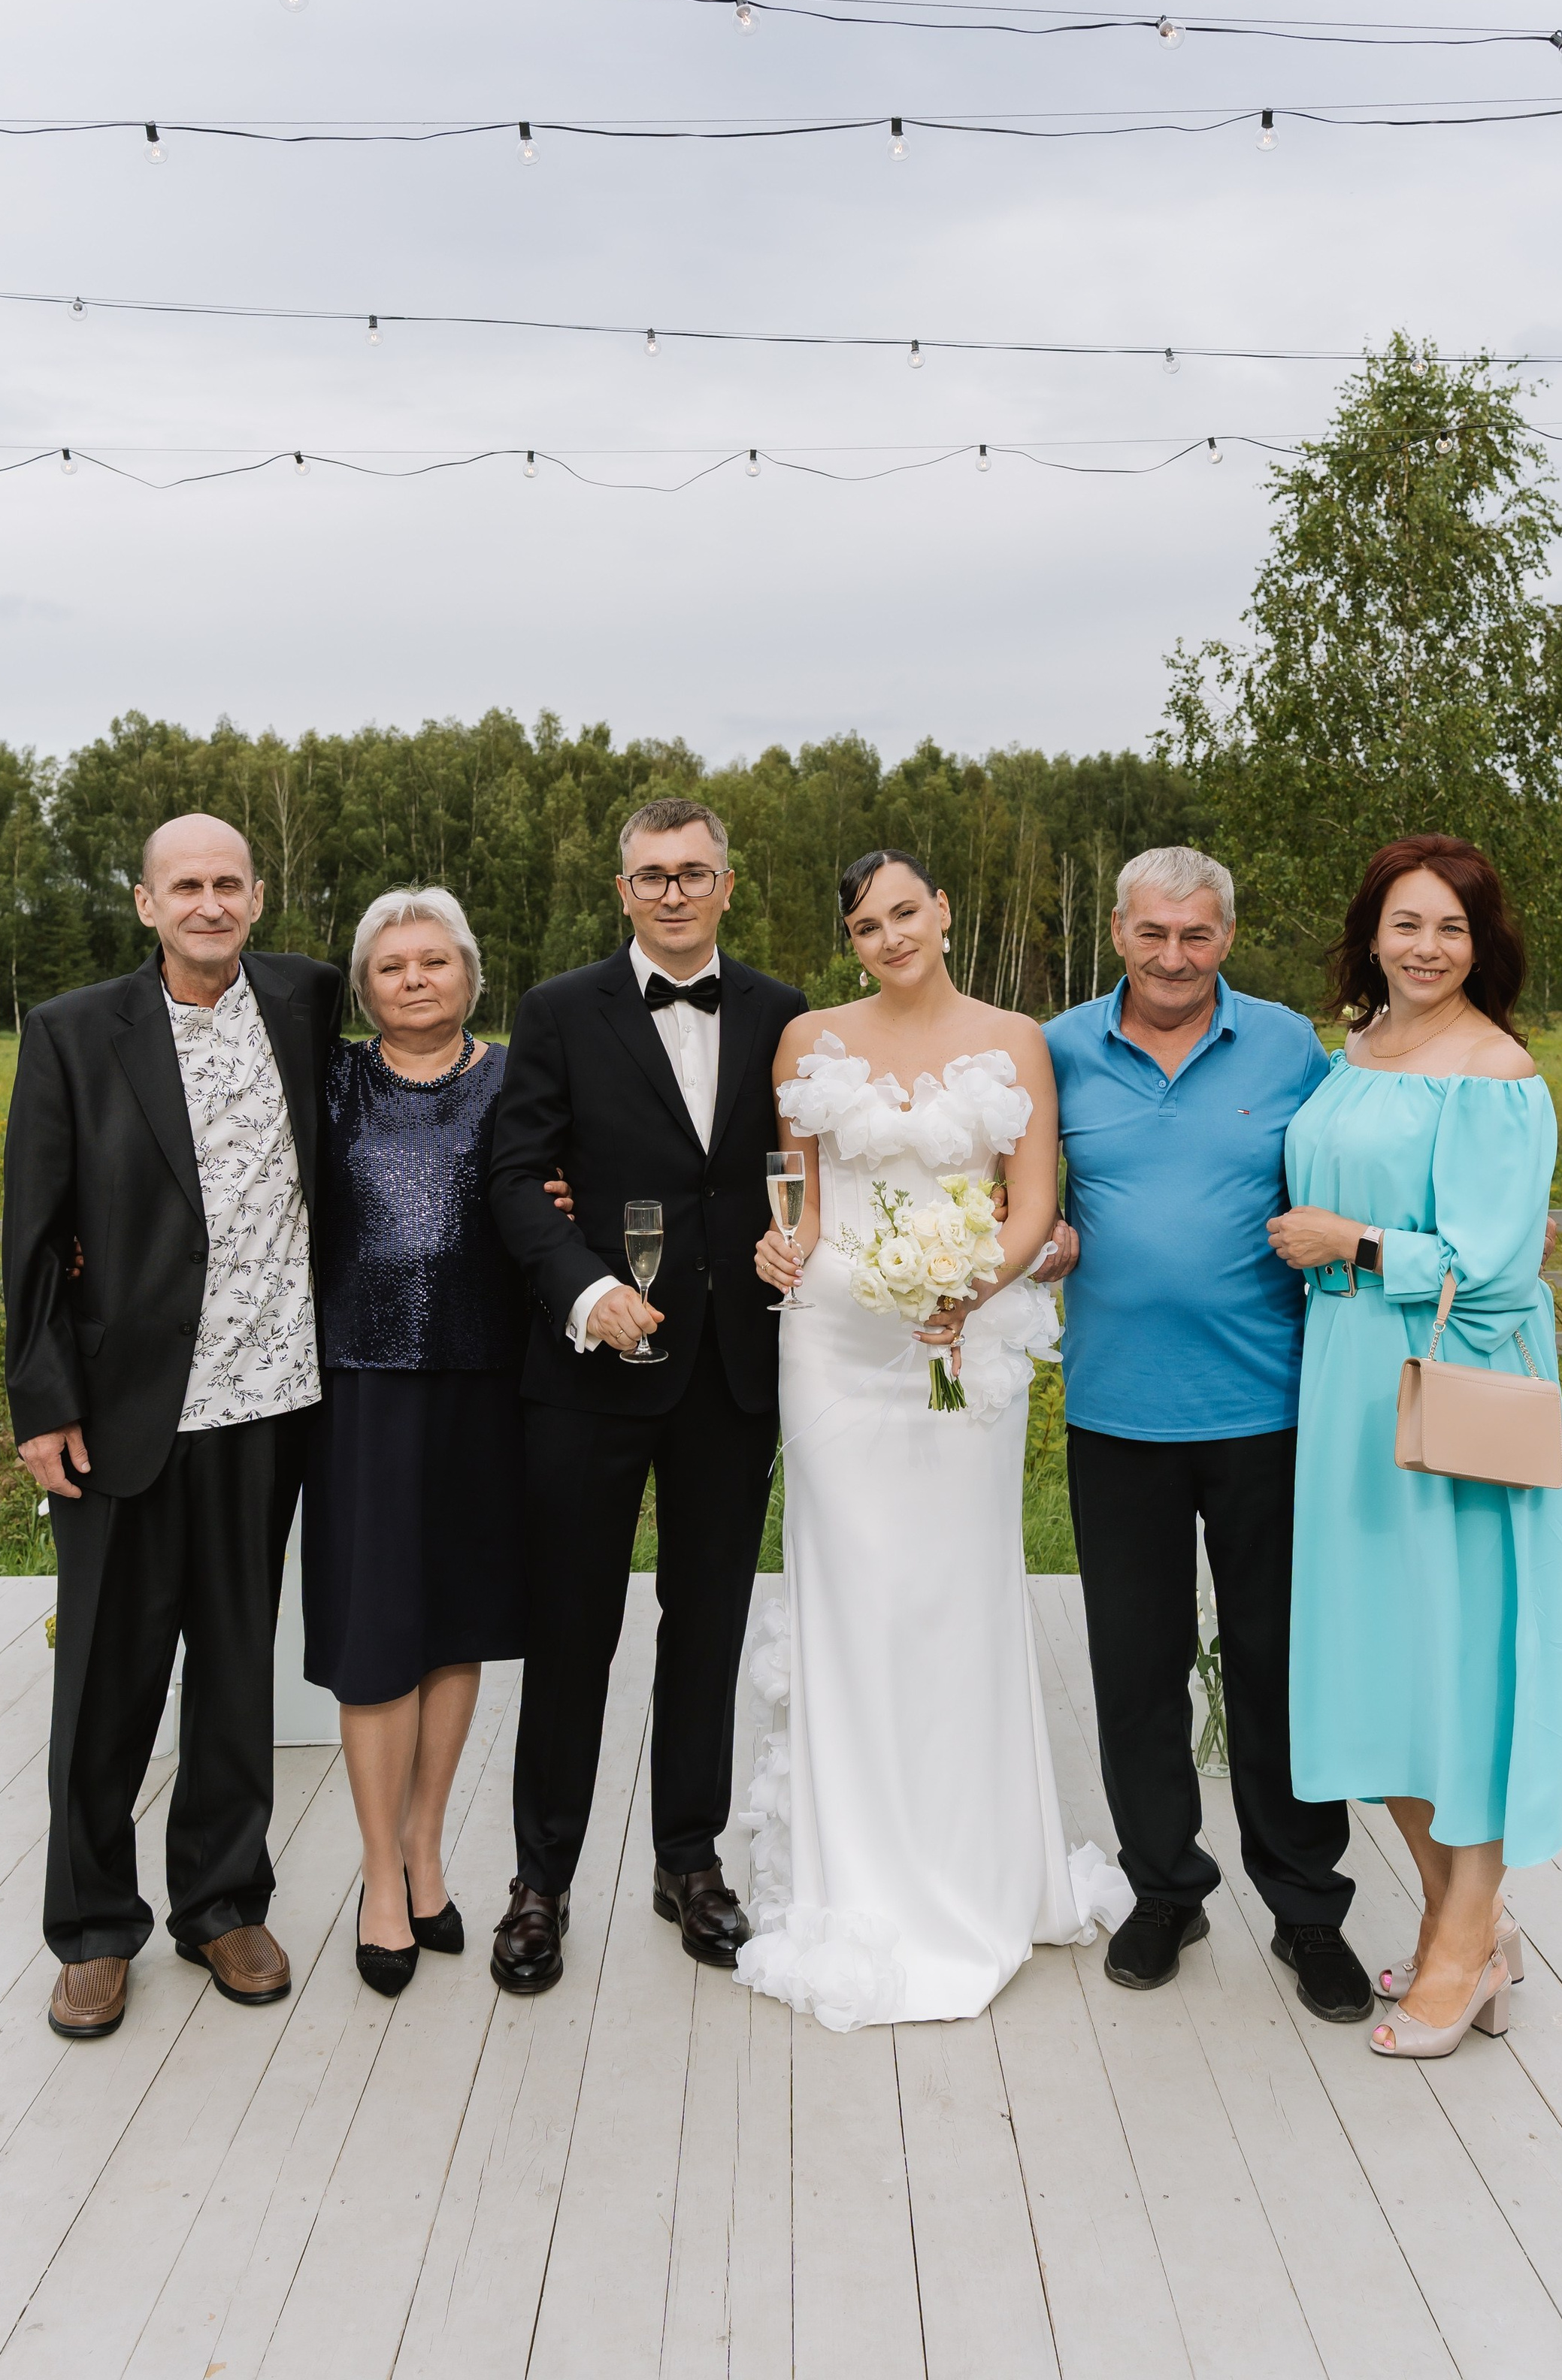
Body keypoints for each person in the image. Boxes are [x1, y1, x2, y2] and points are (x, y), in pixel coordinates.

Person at [740, 850, 1128, 2030]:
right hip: (835, 1349)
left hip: (966, 1347)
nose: (890, 936)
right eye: (866, 924)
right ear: (850, 940)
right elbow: (792, 1184)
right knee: (854, 1594)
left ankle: (973, 1870)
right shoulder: (809, 1039)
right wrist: (780, 1241)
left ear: (944, 910)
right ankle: (851, 1871)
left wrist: (970, 1285)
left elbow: (1033, 1202)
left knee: (956, 1594)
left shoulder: (1017, 1038)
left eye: (906, 911)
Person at [1270, 835, 1562, 2060]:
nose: (1427, 949)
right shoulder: (1356, 1052)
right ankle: (1458, 1920)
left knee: (1454, 1662)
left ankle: (1466, 1940)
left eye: (1452, 930)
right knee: (1378, 1663)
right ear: (1371, 932)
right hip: (1347, 1389)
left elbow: (1496, 1269)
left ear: (1485, 947)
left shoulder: (1495, 1072)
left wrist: (1358, 1244)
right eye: (1407, 925)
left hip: (1447, 1384)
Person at [3, 815, 343, 2040]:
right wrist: (43, 1403)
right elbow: (33, 1234)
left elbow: (424, 1063)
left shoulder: (307, 1001)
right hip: (125, 1411)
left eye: (229, 884)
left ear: (258, 897)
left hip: (274, 1398)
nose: (209, 902)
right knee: (106, 1680)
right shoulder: (72, 1032)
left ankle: (221, 1901)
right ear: (146, 905)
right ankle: (93, 1928)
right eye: (184, 885)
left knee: (238, 1664)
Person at [484, 799, 807, 1993]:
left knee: (707, 1625)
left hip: (732, 1376)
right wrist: (582, 1292)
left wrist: (801, 1237)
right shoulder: (559, 1012)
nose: (673, 892)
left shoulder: (782, 1014)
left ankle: (690, 1860)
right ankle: (542, 1884)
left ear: (729, 883)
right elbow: (517, 1177)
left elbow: (798, 1165)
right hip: (587, 1375)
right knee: (573, 1631)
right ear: (622, 892)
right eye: (651, 876)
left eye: (694, 873)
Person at [1045, 846, 1372, 2022]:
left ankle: (1305, 1908)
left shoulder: (1290, 1046)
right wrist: (1043, 1245)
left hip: (1271, 1412)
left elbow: (1366, 1159)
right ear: (1119, 933)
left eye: (1195, 937)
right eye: (1152, 936)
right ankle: (1166, 1888)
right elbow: (1007, 1194)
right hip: (1116, 1413)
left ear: (1225, 938)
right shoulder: (1058, 1049)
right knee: (1136, 1670)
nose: (1172, 959)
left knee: (1275, 1665)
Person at [303, 888, 529, 1997]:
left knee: (456, 1626)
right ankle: (377, 1876)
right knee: (376, 1631)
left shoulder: (516, 1079)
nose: (413, 980)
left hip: (485, 1383)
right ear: (364, 987)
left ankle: (428, 1846)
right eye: (390, 967)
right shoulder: (329, 1079)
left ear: (470, 974)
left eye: (434, 961)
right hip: (361, 1387)